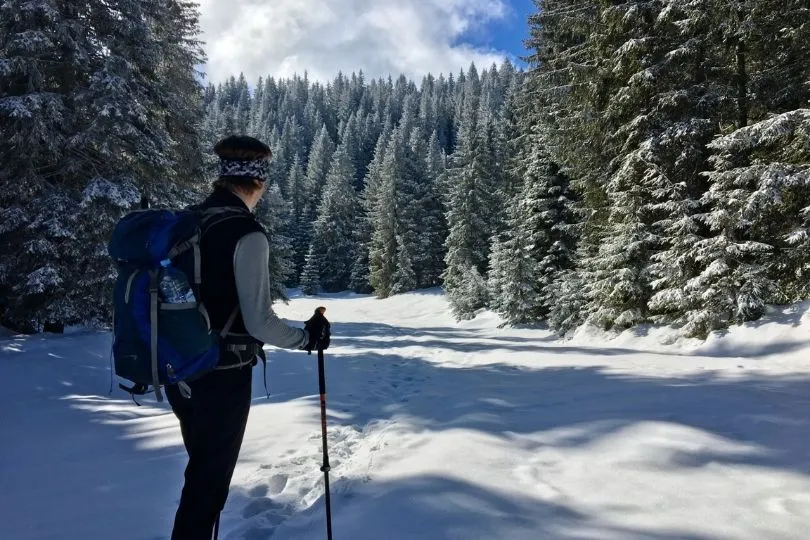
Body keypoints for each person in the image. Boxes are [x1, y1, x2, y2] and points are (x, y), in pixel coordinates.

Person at [165, 135, 330, 540]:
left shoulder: (189, 222)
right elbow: (260, 323)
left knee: (201, 471)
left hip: (178, 365)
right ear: (258, 183)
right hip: (222, 374)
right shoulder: (246, 234)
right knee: (208, 482)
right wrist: (308, 338)